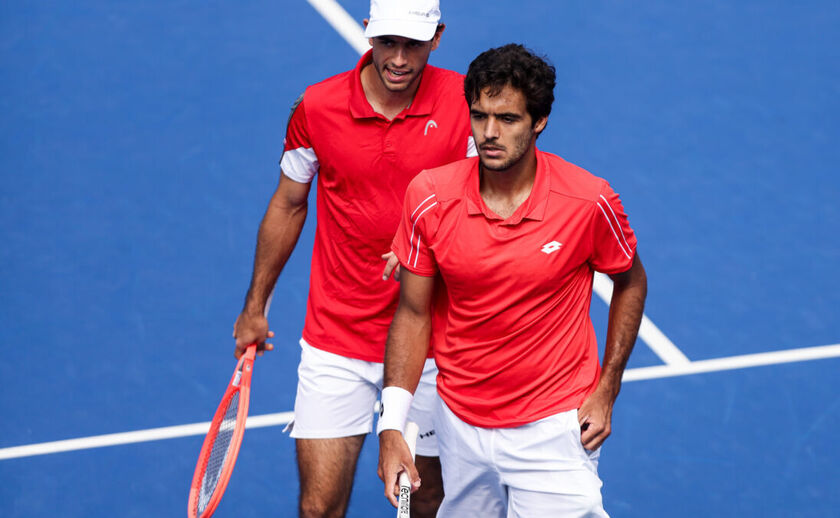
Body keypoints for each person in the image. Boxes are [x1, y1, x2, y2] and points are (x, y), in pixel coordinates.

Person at [377, 43, 648, 517]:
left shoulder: (588, 201)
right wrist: (393, 425)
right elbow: (413, 313)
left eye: (507, 119)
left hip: (553, 427)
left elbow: (631, 282)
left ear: (539, 121)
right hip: (460, 422)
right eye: (479, 116)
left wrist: (608, 388)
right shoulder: (429, 197)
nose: (489, 133)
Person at [232, 1, 476, 516]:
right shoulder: (317, 108)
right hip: (337, 338)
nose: (399, 59)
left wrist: (425, 238)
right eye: (388, 42)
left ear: (438, 36)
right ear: (367, 33)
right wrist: (256, 305)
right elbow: (288, 202)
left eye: (414, 44)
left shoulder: (468, 103)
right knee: (318, 508)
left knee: (428, 498)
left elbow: (490, 201)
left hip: (434, 344)